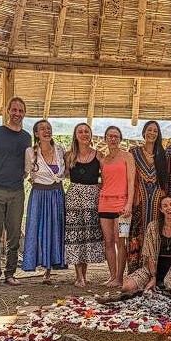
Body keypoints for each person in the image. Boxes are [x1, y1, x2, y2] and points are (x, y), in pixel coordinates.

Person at [0, 97, 32, 287]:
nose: (17, 113)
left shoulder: (27, 137)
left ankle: (10, 273)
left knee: (14, 235)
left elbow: (28, 164)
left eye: (21, 111)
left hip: (17, 191)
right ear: (7, 111)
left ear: (24, 113)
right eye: (14, 110)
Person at [21, 119, 66, 285]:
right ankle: (39, 264)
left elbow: (66, 172)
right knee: (38, 228)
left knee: (55, 229)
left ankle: (49, 268)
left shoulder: (60, 150)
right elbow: (26, 173)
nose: (46, 131)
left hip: (57, 194)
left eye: (49, 128)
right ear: (36, 133)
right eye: (42, 129)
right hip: (39, 194)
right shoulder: (30, 152)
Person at [122, 195, 171, 293]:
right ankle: (151, 286)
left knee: (169, 286)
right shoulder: (152, 227)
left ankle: (157, 288)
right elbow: (150, 255)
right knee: (127, 287)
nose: (169, 208)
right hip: (152, 270)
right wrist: (153, 277)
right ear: (160, 209)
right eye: (165, 206)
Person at [64, 122, 105, 287]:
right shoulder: (68, 156)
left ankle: (85, 275)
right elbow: (62, 174)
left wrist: (100, 188)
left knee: (88, 235)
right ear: (75, 135)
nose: (83, 134)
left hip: (93, 196)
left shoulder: (99, 155)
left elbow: (106, 176)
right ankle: (79, 276)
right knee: (75, 235)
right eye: (80, 131)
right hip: (74, 197)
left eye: (86, 131)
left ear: (91, 135)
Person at [128, 120, 168, 272]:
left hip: (157, 203)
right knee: (136, 234)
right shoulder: (133, 152)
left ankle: (153, 271)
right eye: (149, 130)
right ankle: (136, 270)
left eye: (155, 131)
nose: (152, 133)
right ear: (144, 132)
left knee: (155, 233)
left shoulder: (163, 155)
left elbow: (165, 181)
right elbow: (130, 177)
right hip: (139, 202)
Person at [98, 126, 135, 288]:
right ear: (105, 139)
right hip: (104, 203)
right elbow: (105, 182)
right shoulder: (103, 160)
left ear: (120, 139)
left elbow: (131, 182)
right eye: (110, 136)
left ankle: (120, 277)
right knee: (108, 241)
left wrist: (129, 204)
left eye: (116, 136)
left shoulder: (127, 156)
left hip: (122, 204)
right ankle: (112, 275)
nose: (113, 139)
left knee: (121, 241)